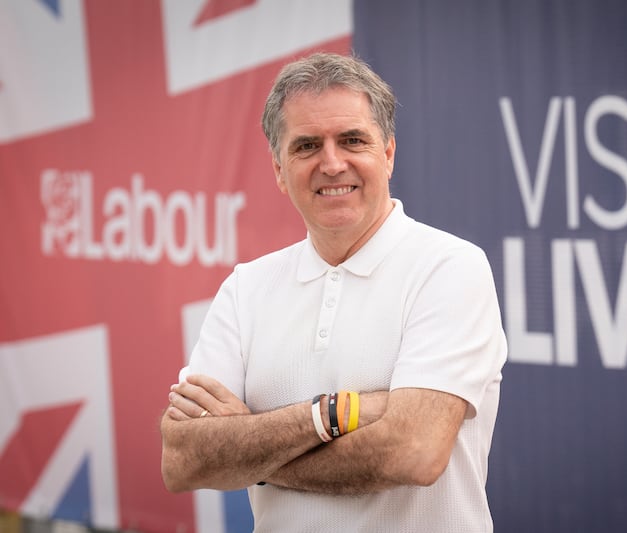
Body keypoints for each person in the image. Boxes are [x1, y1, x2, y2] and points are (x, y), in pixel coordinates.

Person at [160, 52, 507, 532]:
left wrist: (249, 450)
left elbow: (414, 452)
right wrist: (342, 412)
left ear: (387, 154)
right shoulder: (247, 288)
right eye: (306, 146)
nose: (332, 162)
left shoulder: (449, 268)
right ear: (279, 170)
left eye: (352, 140)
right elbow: (182, 460)